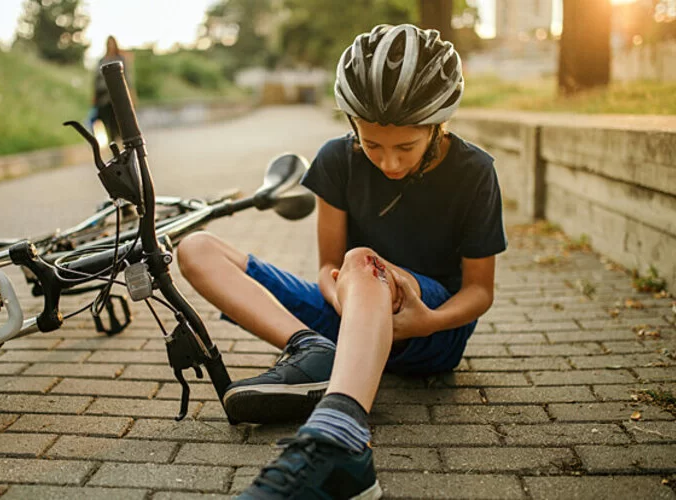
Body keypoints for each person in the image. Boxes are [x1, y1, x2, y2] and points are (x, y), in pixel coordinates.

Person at [177, 24, 507, 499]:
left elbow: (480, 291)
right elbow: (327, 267)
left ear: (437, 127)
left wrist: (429, 321)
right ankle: (313, 350)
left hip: (427, 328)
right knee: (196, 248)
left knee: (362, 262)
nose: (389, 163)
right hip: (349, 309)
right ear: (353, 127)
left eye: (405, 148)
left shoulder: (475, 172)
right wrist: (340, 295)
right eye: (372, 145)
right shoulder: (336, 158)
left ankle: (339, 433)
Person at [92, 35, 133, 145]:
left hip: (118, 94)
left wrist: (131, 94)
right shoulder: (101, 60)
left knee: (119, 121)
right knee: (107, 121)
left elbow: (127, 78)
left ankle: (121, 142)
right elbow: (96, 80)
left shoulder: (120, 59)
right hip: (103, 97)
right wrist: (94, 96)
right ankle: (112, 142)